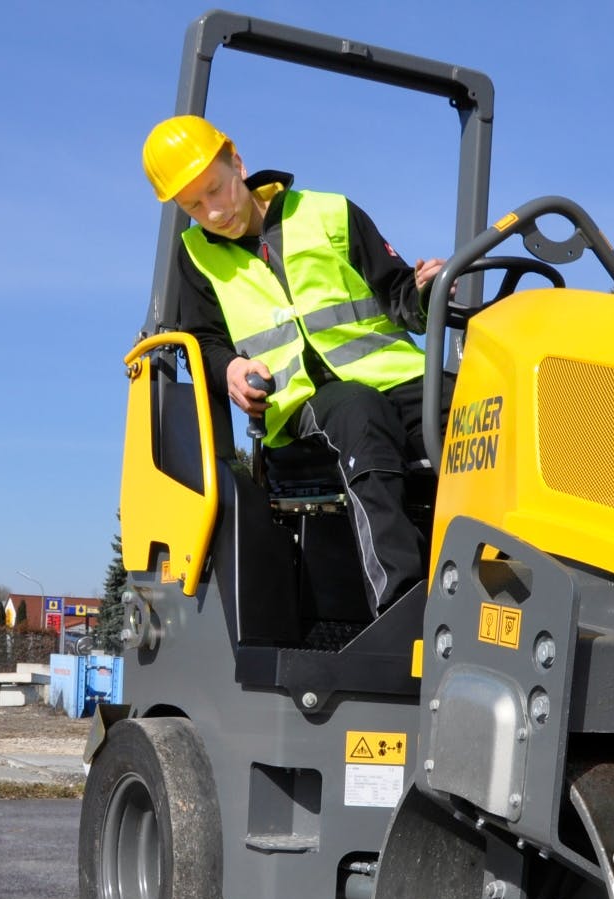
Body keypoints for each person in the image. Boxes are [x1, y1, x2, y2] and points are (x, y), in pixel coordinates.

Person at [142, 114, 445, 616]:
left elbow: (398, 296)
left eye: (216, 190)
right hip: (301, 409)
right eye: (193, 204)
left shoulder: (330, 213)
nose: (213, 211)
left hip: (399, 380)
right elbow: (206, 341)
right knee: (360, 414)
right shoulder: (194, 257)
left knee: (483, 404)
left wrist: (424, 292)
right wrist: (228, 372)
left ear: (236, 162)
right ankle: (403, 607)